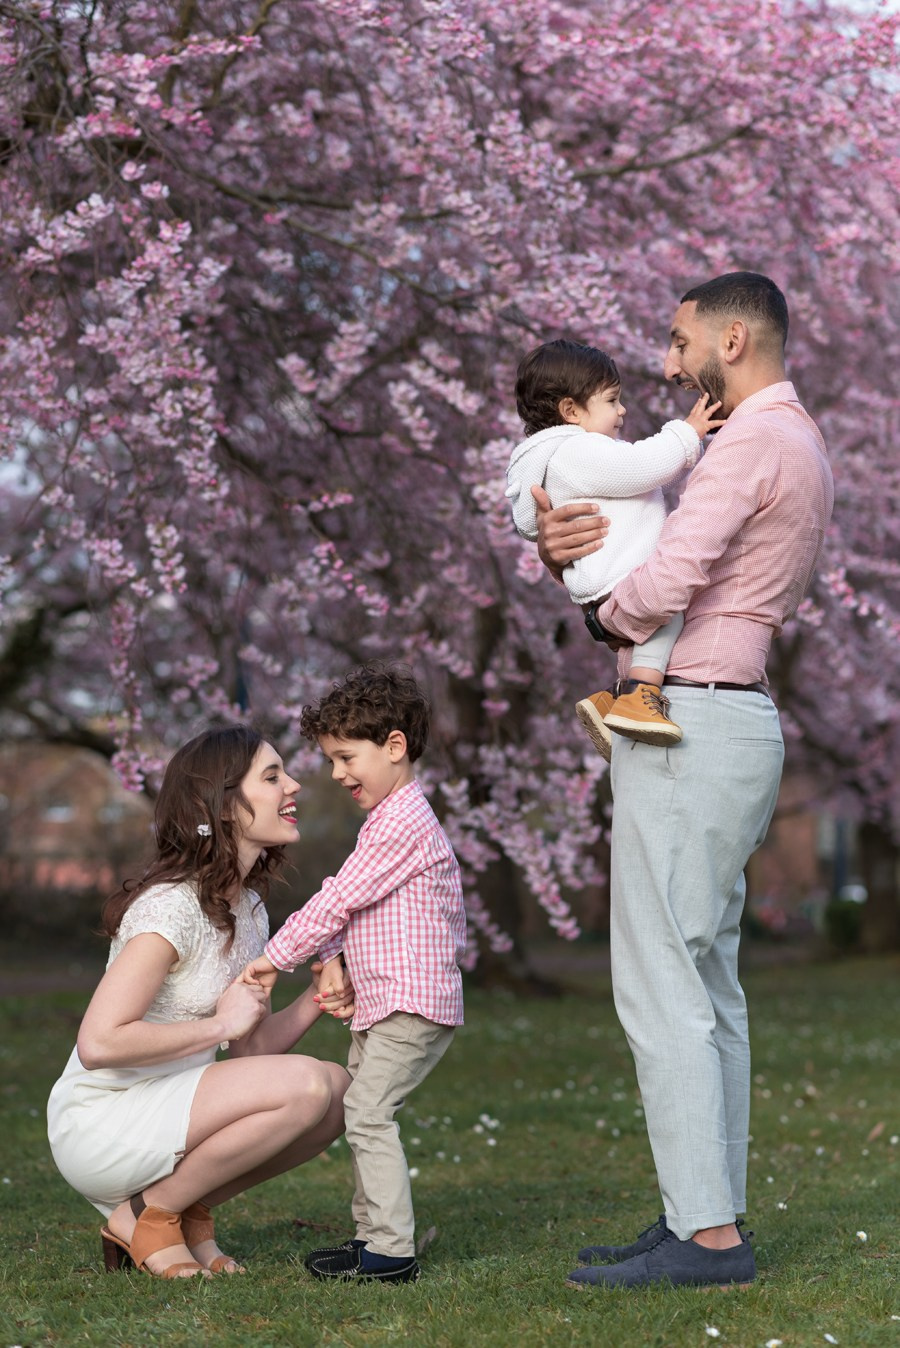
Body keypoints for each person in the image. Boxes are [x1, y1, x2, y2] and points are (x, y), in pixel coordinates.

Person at [533, 273, 834, 1290]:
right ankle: (701, 1217)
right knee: (706, 980)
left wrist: (589, 598)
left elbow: (670, 579)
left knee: (663, 979)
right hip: (726, 712)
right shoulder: (798, 438)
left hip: (691, 718)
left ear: (733, 337)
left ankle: (706, 1236)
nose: (667, 365)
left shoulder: (749, 440)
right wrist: (575, 548)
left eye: (678, 341)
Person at [47, 725, 351, 1280]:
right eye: (273, 775)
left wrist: (315, 998)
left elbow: (251, 1049)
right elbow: (99, 1043)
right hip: (105, 1118)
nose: (296, 785)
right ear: (224, 803)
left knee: (338, 1097)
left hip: (176, 1112)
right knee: (309, 1082)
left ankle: (183, 1211)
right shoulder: (168, 907)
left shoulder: (251, 911)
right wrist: (217, 1028)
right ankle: (147, 1214)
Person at [241, 663, 467, 1285]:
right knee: (362, 1113)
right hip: (385, 1003)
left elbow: (339, 898)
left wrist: (273, 958)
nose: (337, 774)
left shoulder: (403, 823)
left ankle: (392, 1252)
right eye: (331, 760)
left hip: (412, 1004)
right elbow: (354, 901)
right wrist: (333, 958)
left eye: (346, 758)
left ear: (394, 746)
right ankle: (371, 1240)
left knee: (367, 1113)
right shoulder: (386, 822)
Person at [507, 338, 724, 759]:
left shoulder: (561, 456)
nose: (622, 411)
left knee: (651, 630)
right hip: (621, 577)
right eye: (612, 400)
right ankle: (640, 695)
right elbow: (643, 467)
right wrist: (687, 433)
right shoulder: (577, 449)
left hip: (604, 582)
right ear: (571, 411)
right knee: (666, 618)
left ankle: (612, 700)